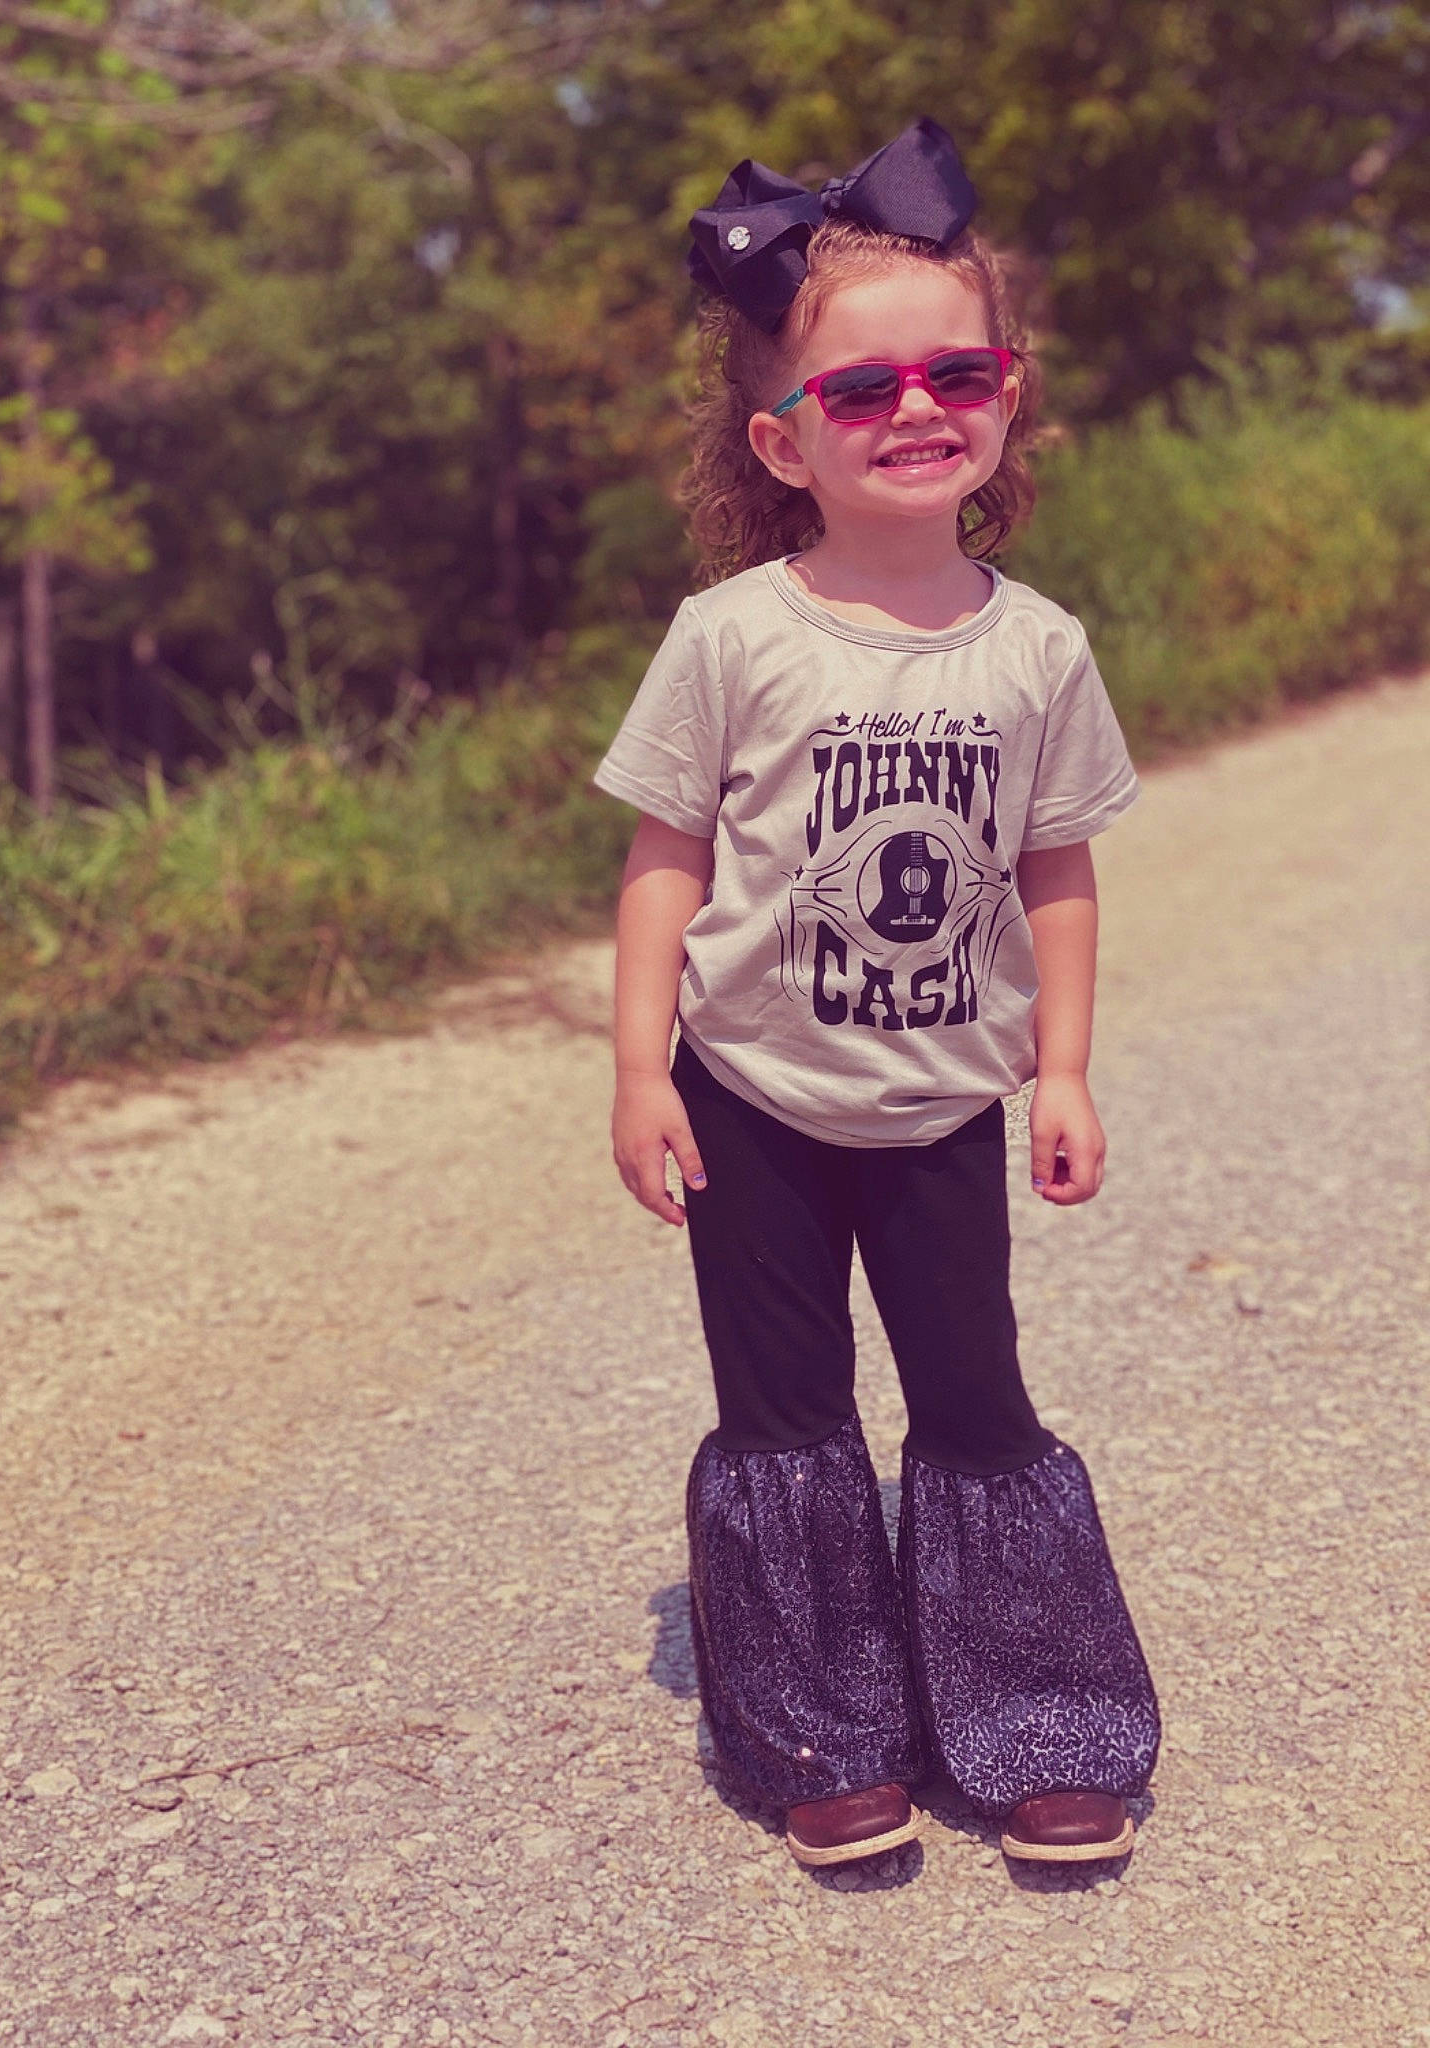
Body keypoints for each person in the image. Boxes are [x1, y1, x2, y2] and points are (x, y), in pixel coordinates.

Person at [590, 118, 1160, 1871]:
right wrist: (637, 1070)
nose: (917, 408)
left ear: (1007, 399)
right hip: (752, 1088)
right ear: (784, 442)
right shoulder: (733, 635)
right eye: (862, 391)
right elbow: (666, 862)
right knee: (787, 1408)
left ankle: (1037, 1721)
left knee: (971, 1398)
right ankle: (826, 1727)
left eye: (957, 372)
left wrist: (1061, 1069)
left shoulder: (1036, 644)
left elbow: (1055, 862)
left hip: (943, 1103)